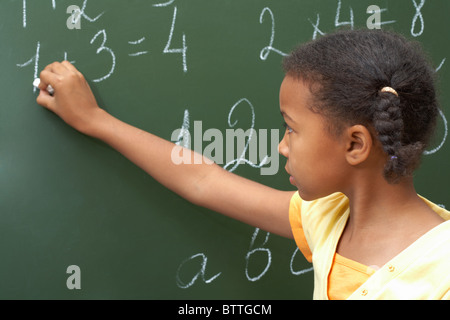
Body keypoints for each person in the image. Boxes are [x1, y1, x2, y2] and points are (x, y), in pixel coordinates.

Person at [36, 29, 450, 300]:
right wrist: (96, 121)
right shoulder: (328, 219)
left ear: (355, 144)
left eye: (291, 129)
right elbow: (203, 181)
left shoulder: (440, 270)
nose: (282, 146)